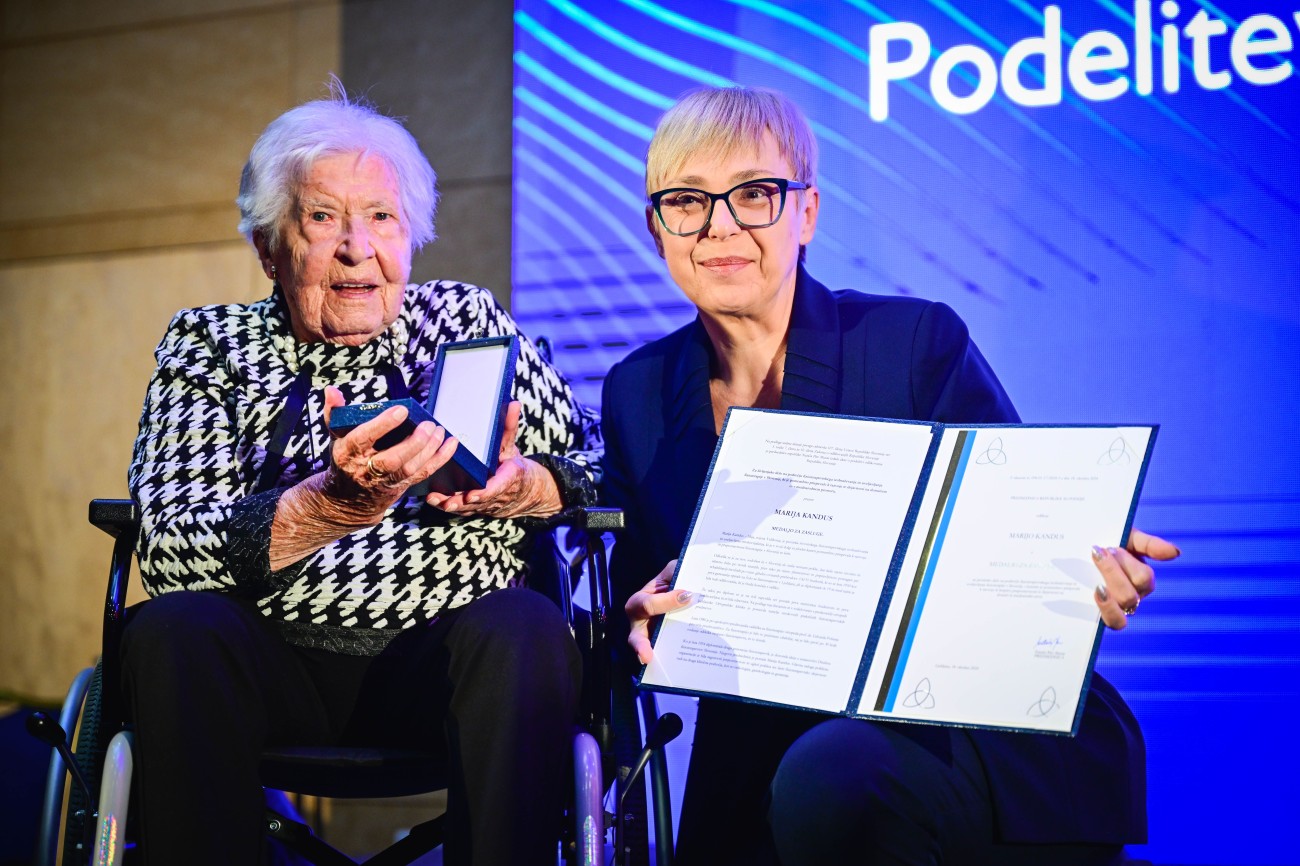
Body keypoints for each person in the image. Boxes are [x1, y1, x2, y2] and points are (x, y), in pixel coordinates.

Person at [601, 86, 1180, 866]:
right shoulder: (637, 389)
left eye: (754, 194)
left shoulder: (912, 341)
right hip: (760, 756)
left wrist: (1082, 569)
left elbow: (1017, 532)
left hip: (969, 740)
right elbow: (640, 600)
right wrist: (640, 617)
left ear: (807, 213)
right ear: (656, 227)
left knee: (834, 774)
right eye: (687, 201)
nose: (720, 225)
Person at [120, 84, 601, 866]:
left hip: (446, 668)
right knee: (176, 628)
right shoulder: (211, 344)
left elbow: (594, 467)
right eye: (322, 218)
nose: (357, 247)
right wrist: (326, 508)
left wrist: (528, 486)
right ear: (269, 245)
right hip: (271, 667)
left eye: (381, 217)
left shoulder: (466, 322)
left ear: (410, 235)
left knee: (526, 624)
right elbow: (169, 548)